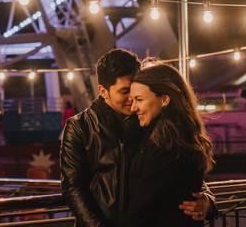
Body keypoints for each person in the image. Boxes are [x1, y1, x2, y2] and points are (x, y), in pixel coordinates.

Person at [60, 50, 211, 227]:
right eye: (125, 91)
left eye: (136, 92)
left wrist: (208, 201)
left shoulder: (151, 119)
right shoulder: (80, 126)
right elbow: (73, 187)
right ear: (103, 91)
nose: (131, 100)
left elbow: (183, 171)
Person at [124, 63, 216, 227]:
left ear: (165, 99)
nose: (133, 108)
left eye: (139, 99)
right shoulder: (177, 134)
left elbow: (143, 205)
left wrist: (209, 202)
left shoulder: (167, 143)